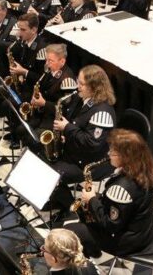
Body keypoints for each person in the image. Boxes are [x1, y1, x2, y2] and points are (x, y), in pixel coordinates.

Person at [65, 129, 153, 258]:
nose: (108, 154)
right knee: (86, 217)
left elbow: (110, 225)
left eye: (113, 152)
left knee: (70, 231)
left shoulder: (122, 188)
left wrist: (92, 199)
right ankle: (91, 249)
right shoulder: (143, 170)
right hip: (142, 232)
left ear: (126, 157)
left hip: (126, 242)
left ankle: (85, 262)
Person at [47, 65, 116, 220]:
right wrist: (65, 136)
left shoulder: (103, 112)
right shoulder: (83, 101)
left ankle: (72, 208)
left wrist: (67, 128)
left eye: (82, 83)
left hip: (91, 163)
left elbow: (92, 144)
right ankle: (59, 199)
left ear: (94, 87)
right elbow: (80, 127)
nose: (78, 86)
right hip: (76, 154)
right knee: (43, 158)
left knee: (52, 173)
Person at [0, 12, 46, 127]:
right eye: (19, 29)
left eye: (23, 30)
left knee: (7, 104)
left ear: (33, 30)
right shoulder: (22, 41)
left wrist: (23, 72)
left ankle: (17, 130)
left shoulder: (41, 49)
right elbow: (10, 51)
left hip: (32, 90)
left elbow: (41, 79)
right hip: (20, 84)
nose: (19, 33)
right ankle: (12, 122)